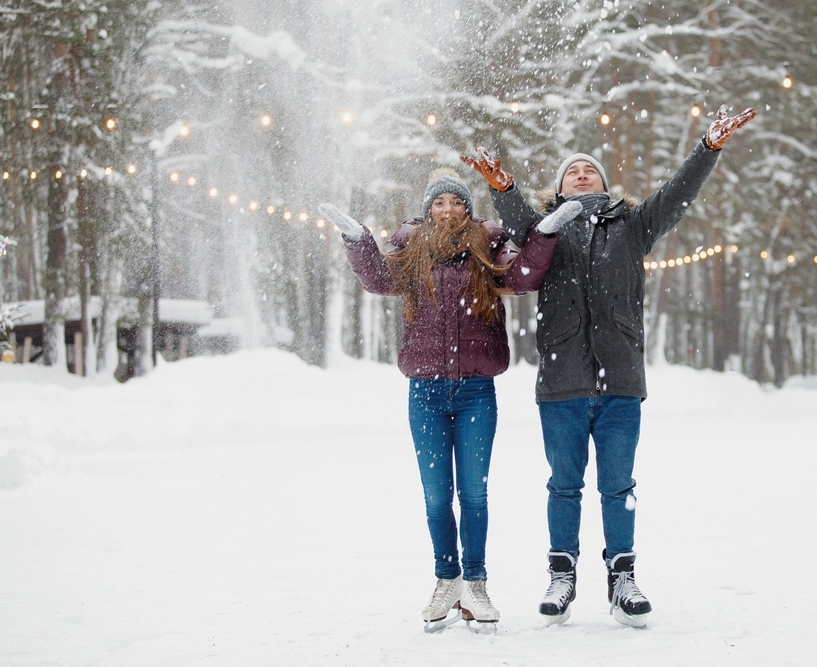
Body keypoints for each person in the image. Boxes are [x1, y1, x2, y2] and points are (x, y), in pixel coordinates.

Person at [462, 105, 757, 628]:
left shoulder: (634, 226)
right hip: (562, 381)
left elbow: (676, 194)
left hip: (621, 378)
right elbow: (515, 218)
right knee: (564, 484)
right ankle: (562, 573)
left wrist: (706, 149)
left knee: (618, 485)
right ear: (561, 187)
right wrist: (503, 188)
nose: (581, 173)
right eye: (572, 171)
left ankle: (623, 577)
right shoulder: (543, 231)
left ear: (602, 181)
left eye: (589, 169)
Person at [318, 169, 581, 633]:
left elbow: (522, 276)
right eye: (438, 203)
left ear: (467, 207)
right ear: (427, 211)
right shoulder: (412, 251)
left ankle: (476, 584)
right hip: (426, 393)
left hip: (478, 391)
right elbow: (379, 279)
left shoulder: (488, 246)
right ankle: (447, 579)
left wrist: (544, 233)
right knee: (437, 496)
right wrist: (357, 239)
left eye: (455, 202)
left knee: (474, 494)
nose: (447, 209)